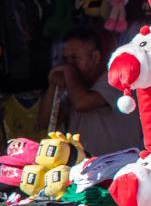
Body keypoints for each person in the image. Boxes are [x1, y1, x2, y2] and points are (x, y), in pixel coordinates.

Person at [38, 29, 143, 158]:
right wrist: (53, 85)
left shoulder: (114, 78)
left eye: (74, 58)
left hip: (117, 164)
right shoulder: (75, 84)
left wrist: (68, 70)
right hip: (86, 167)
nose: (69, 64)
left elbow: (83, 103)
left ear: (95, 57)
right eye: (65, 59)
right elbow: (45, 121)